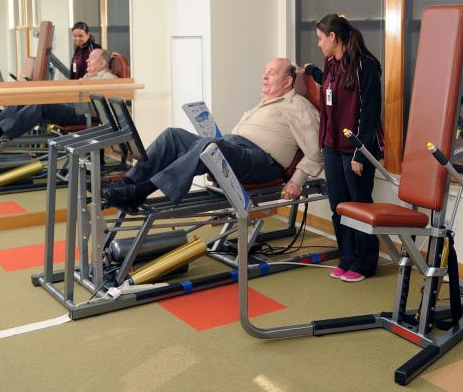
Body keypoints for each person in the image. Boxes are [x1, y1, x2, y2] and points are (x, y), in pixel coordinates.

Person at [102, 58, 322, 213]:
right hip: (236, 148)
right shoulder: (266, 102)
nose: (264, 76)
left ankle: (139, 192)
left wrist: (297, 180)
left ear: (288, 82)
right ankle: (128, 182)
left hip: (262, 162)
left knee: (210, 146)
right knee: (173, 135)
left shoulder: (298, 106)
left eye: (271, 73)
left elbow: (316, 151)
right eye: (265, 71)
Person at [304, 14, 384, 283]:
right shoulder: (330, 63)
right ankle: (347, 258)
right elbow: (330, 88)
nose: (318, 44)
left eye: (320, 39)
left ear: (333, 37)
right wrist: (311, 72)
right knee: (338, 206)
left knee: (359, 207)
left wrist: (361, 152)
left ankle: (364, 263)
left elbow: (370, 114)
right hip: (331, 146)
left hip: (355, 150)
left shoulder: (366, 67)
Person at [0, 49, 118, 141]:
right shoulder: (89, 76)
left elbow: (103, 107)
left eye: (91, 59)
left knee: (43, 105)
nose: (87, 61)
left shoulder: (108, 78)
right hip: (71, 106)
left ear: (102, 64)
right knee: (28, 96)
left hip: (83, 114)